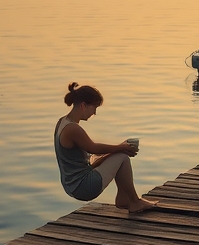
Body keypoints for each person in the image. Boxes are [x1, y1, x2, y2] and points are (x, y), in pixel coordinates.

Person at [55, 82, 157, 213]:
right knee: (122, 156)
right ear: (83, 105)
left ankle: (125, 198)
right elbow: (93, 148)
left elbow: (90, 153)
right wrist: (120, 148)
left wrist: (117, 149)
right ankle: (134, 202)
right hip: (82, 187)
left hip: (71, 184)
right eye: (94, 108)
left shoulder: (62, 122)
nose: (95, 113)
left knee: (118, 154)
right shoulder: (72, 129)